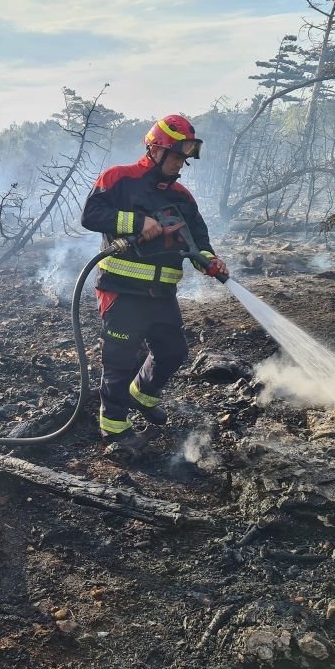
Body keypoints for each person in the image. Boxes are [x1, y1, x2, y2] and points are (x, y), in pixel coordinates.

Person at [80, 114, 228, 451]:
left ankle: (141, 395)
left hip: (162, 293)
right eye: (177, 156)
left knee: (173, 352)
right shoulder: (119, 178)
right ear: (155, 149)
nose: (181, 164)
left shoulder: (183, 197)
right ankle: (115, 431)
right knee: (118, 361)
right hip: (122, 290)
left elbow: (199, 239)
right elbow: (91, 215)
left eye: (184, 159)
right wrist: (135, 222)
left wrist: (208, 259)